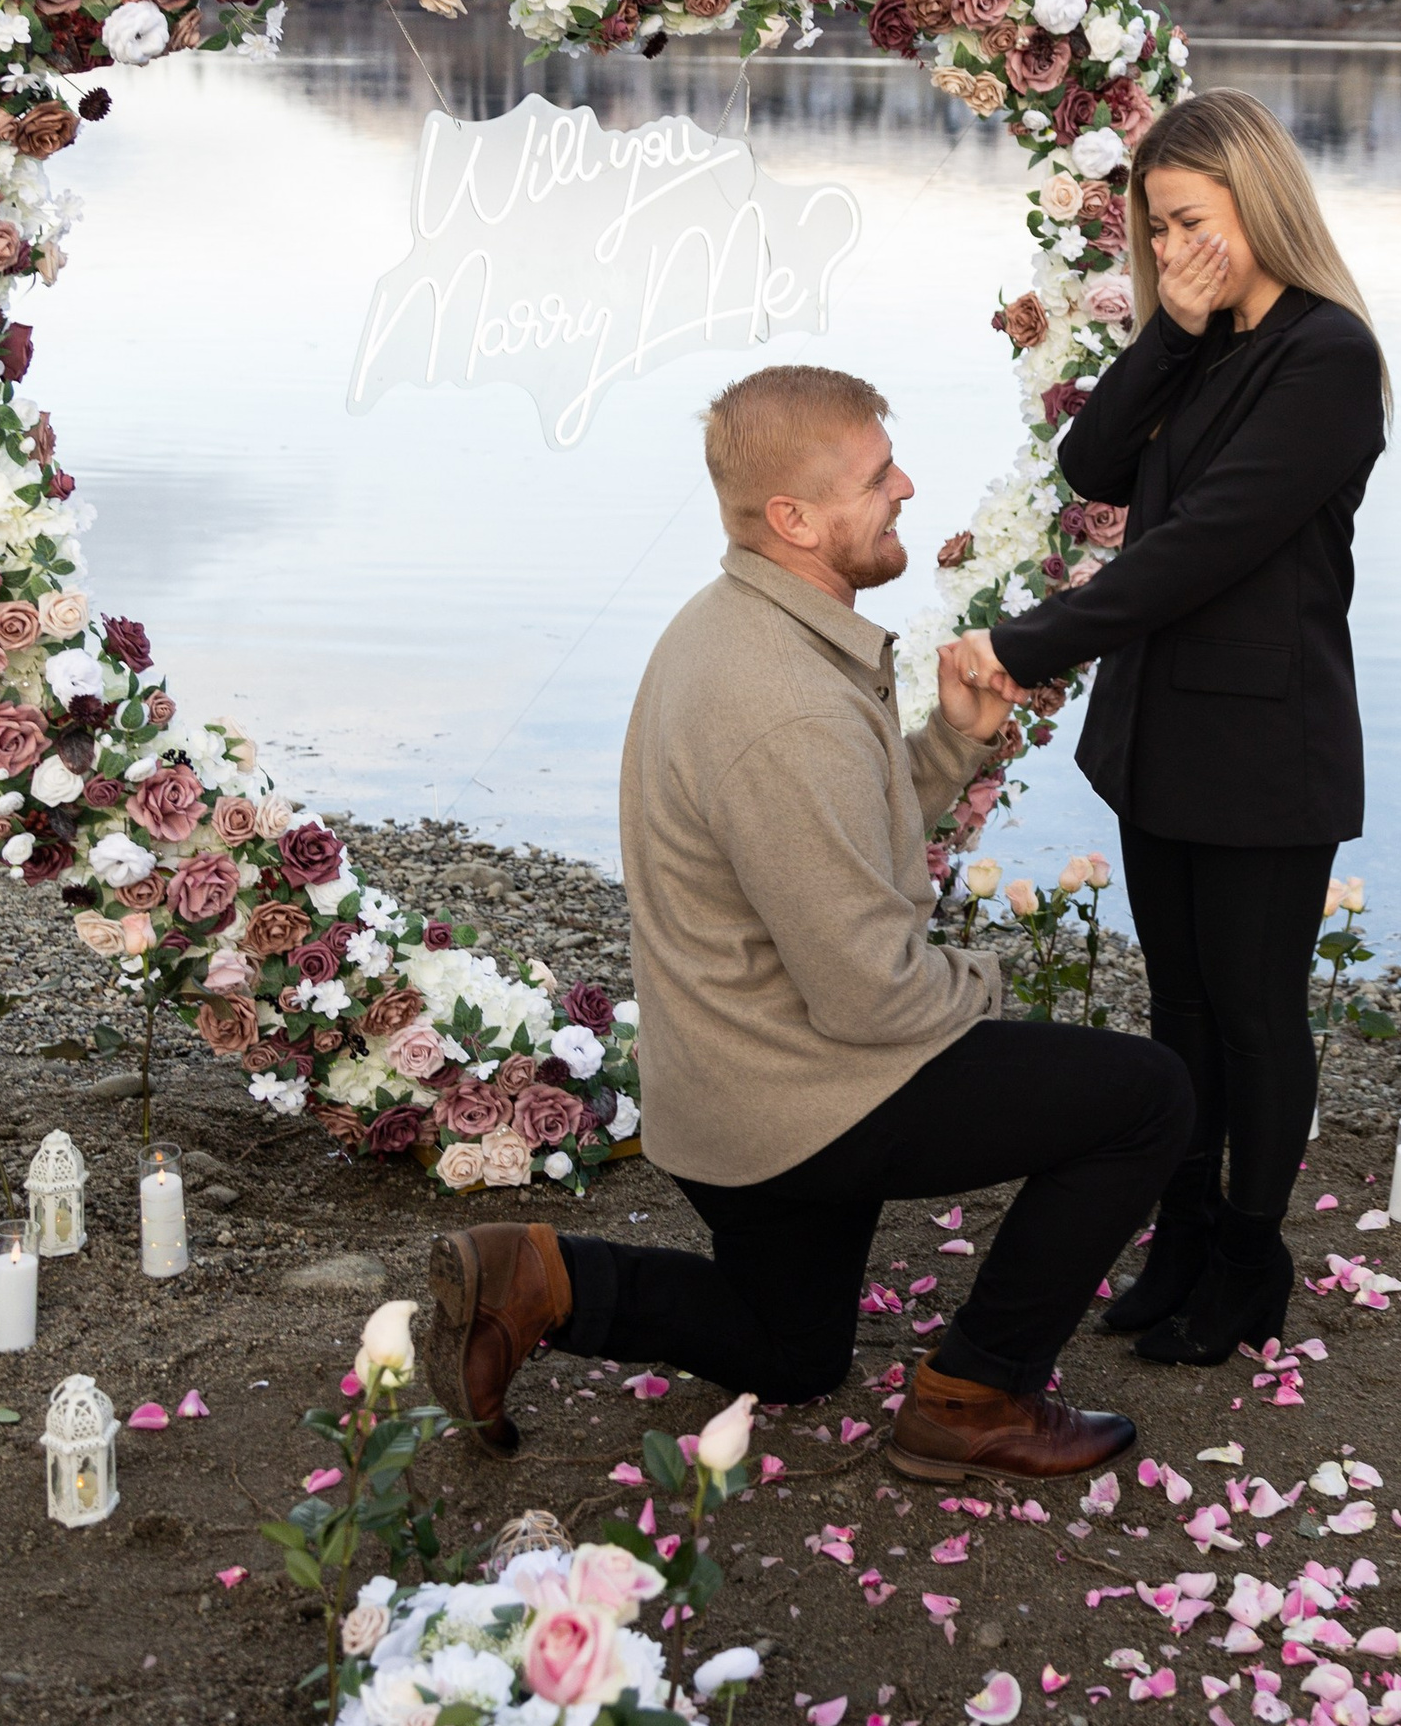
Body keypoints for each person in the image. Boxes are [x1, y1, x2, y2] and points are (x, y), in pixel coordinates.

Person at [419, 362, 1192, 1484]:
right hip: (795, 1099)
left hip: (733, 1091)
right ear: (793, 517)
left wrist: (951, 744)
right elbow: (872, 993)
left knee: (791, 1352)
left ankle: (539, 1279)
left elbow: (831, 843)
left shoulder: (743, 625)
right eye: (879, 477)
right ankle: (974, 1396)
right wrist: (986, 991)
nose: (907, 487)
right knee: (1146, 1098)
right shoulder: (780, 699)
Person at [956, 90, 1387, 1367]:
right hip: (1161, 736)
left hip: (1266, 746)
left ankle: (1251, 1256)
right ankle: (1183, 1234)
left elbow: (1203, 548)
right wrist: (1171, 328)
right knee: (1180, 1009)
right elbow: (1092, 469)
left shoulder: (1327, 355)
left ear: (1260, 202)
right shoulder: (1204, 337)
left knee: (1255, 1012)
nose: (1172, 248)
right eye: (1155, 230)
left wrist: (1021, 644)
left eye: (1191, 221)